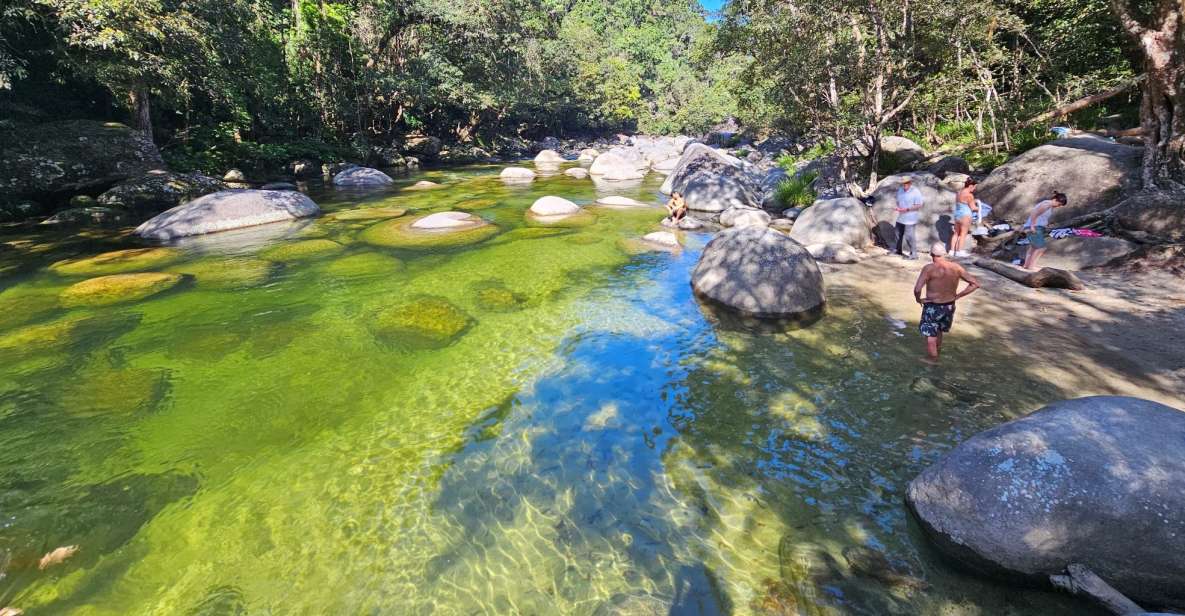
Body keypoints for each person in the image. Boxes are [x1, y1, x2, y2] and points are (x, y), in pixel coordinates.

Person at [913, 243, 981, 363]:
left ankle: (932, 360)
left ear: (931, 254)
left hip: (933, 306)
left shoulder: (929, 268)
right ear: (944, 254)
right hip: (949, 306)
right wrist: (958, 296)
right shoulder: (956, 267)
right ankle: (937, 353)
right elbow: (975, 284)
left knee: (930, 336)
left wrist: (919, 300)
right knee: (939, 331)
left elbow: (917, 289)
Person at [1022, 192, 1068, 270]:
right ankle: (1031, 266)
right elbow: (1034, 213)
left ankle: (1027, 265)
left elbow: (1040, 216)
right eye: (1059, 204)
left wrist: (1045, 224)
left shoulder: (1049, 205)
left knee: (1033, 247)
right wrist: (1032, 226)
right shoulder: (1047, 204)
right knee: (1041, 248)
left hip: (1038, 227)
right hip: (1035, 227)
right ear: (1055, 200)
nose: (1058, 206)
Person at [894, 177, 924, 259]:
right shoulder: (900, 190)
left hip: (910, 218)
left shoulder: (915, 191)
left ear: (910, 183)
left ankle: (914, 254)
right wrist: (898, 207)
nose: (904, 185)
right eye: (903, 183)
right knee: (897, 233)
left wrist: (907, 209)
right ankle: (898, 250)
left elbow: (919, 205)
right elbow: (898, 201)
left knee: (909, 236)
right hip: (901, 216)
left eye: (906, 183)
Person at [950, 178, 979, 257]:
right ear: (970, 186)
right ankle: (960, 251)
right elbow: (973, 208)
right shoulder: (969, 195)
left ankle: (952, 251)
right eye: (974, 187)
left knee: (956, 233)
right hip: (965, 215)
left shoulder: (958, 192)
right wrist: (979, 208)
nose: (974, 189)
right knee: (963, 234)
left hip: (957, 214)